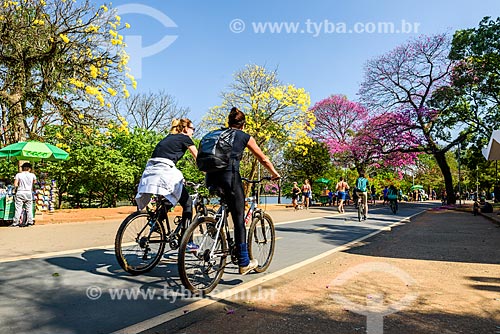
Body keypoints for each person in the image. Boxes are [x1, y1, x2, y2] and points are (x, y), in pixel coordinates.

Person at [205, 107, 280, 275]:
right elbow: (262, 158)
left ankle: (215, 225)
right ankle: (244, 262)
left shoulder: (218, 134)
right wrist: (274, 173)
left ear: (228, 123)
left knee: (226, 205)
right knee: (239, 218)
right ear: (243, 125)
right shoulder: (244, 136)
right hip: (229, 177)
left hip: (210, 177)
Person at [135, 118, 198, 249]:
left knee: (169, 198)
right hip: (165, 172)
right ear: (186, 128)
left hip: (150, 173)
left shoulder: (167, 138)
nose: (193, 132)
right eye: (193, 129)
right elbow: (198, 157)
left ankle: (156, 220)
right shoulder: (185, 138)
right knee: (187, 203)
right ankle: (188, 241)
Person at [11, 162, 37, 227]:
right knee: (29, 208)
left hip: (20, 192)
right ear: (29, 169)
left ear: (23, 168)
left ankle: (15, 223)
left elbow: (15, 184)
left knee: (18, 208)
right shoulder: (32, 175)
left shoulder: (18, 175)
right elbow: (35, 183)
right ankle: (30, 222)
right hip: (28, 193)